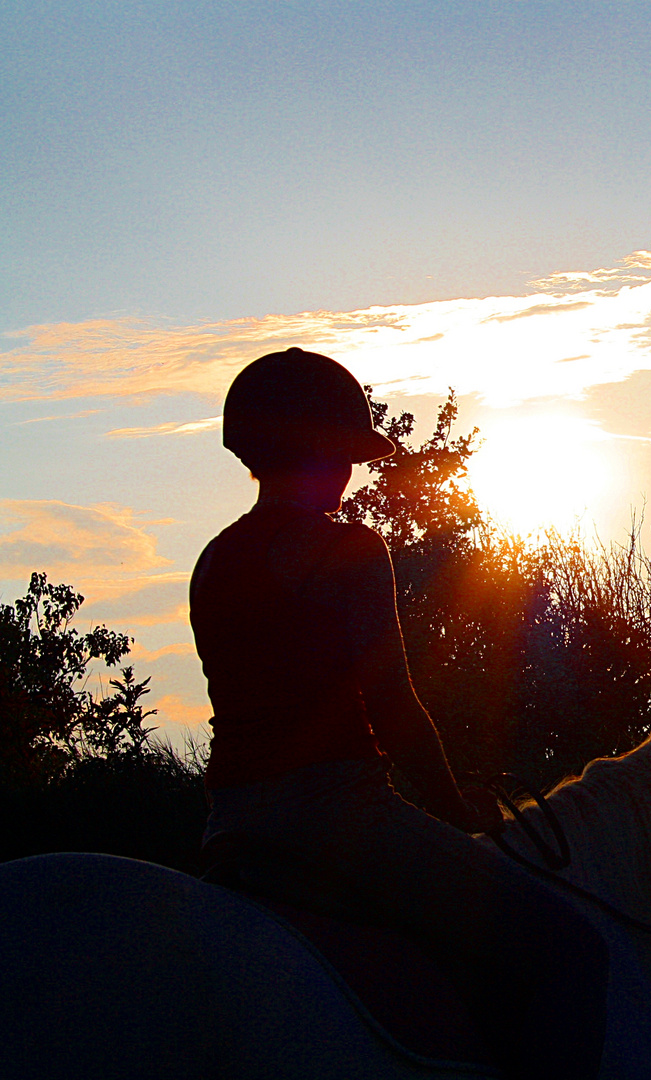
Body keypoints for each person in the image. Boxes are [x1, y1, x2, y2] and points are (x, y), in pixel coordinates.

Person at [192, 347, 606, 1079]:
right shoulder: (348, 549)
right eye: (346, 453)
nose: (351, 472)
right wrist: (453, 807)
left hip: (232, 826)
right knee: (570, 951)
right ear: (320, 450)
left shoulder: (214, 559)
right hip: (341, 820)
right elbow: (393, 705)